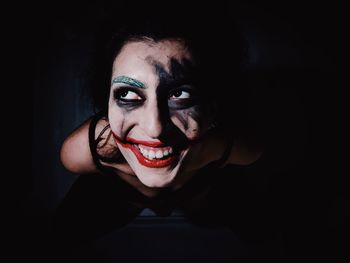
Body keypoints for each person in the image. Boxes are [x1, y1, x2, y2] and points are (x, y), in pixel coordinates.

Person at [59, 13, 264, 199]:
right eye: (127, 94)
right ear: (107, 103)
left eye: (179, 94)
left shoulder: (235, 146)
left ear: (213, 105)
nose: (154, 128)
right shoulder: (82, 152)